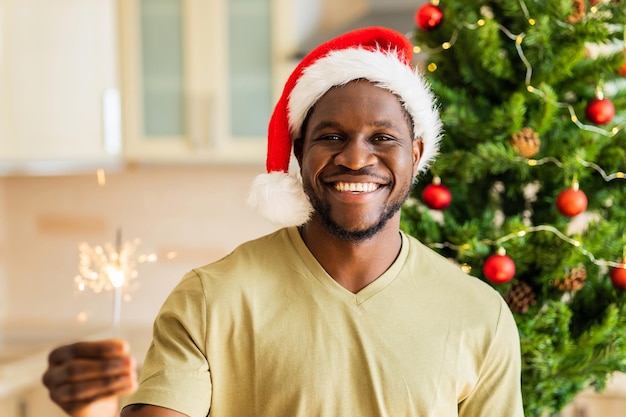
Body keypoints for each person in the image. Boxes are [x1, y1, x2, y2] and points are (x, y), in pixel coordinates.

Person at [42, 26, 524, 417]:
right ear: (300, 152)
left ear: (416, 154)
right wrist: (93, 408)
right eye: (332, 136)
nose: (356, 159)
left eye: (382, 138)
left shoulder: (479, 315)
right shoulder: (212, 299)